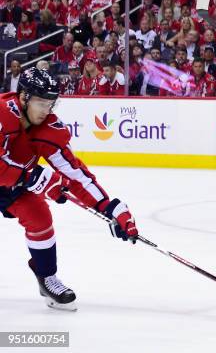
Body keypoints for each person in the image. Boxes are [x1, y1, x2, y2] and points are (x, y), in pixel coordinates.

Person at [0, 68, 138, 311]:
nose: (46, 110)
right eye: (41, 103)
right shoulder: (1, 114)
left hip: (12, 185)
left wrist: (109, 207)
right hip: (12, 177)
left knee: (39, 217)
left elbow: (75, 175)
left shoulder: (47, 129)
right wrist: (30, 175)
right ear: (23, 97)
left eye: (51, 103)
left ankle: (47, 278)